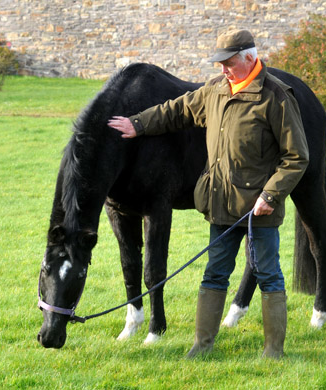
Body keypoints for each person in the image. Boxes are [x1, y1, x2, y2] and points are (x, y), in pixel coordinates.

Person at [108, 29, 309, 359]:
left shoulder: (276, 97)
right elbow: (177, 110)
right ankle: (201, 347)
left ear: (249, 58)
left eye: (229, 63)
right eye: (220, 64)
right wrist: (138, 125)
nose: (223, 70)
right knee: (215, 273)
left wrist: (270, 197)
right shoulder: (216, 90)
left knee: (268, 273)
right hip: (219, 203)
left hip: (259, 208)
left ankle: (274, 351)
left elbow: (296, 157)